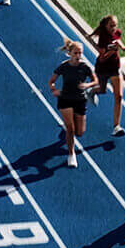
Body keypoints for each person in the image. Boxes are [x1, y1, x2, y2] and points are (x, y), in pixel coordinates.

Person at [49, 39, 98, 168]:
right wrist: (54, 90)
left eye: (80, 53)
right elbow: (51, 81)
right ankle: (71, 154)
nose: (78, 56)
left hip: (80, 100)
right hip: (65, 99)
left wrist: (88, 85)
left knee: (80, 132)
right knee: (70, 128)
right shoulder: (64, 66)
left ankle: (67, 133)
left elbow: (95, 80)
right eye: (75, 53)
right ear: (69, 53)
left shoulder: (85, 66)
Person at [86, 15, 125, 137]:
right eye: (111, 26)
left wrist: (122, 47)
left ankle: (116, 127)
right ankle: (91, 91)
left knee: (119, 96)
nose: (114, 28)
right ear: (106, 26)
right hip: (103, 68)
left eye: (115, 25)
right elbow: (102, 58)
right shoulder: (103, 39)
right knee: (102, 90)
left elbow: (117, 39)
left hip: (115, 68)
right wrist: (111, 52)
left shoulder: (117, 32)